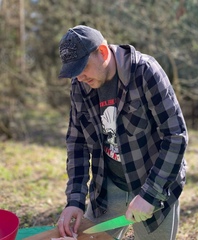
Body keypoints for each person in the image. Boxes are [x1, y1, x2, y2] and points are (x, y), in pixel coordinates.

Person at [57, 25, 188, 240]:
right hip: (108, 189)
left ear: (103, 52)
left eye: (83, 67)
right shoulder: (80, 85)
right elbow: (77, 142)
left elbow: (176, 136)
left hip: (153, 183)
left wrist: (150, 194)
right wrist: (75, 200)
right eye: (74, 71)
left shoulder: (145, 71)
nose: (80, 77)